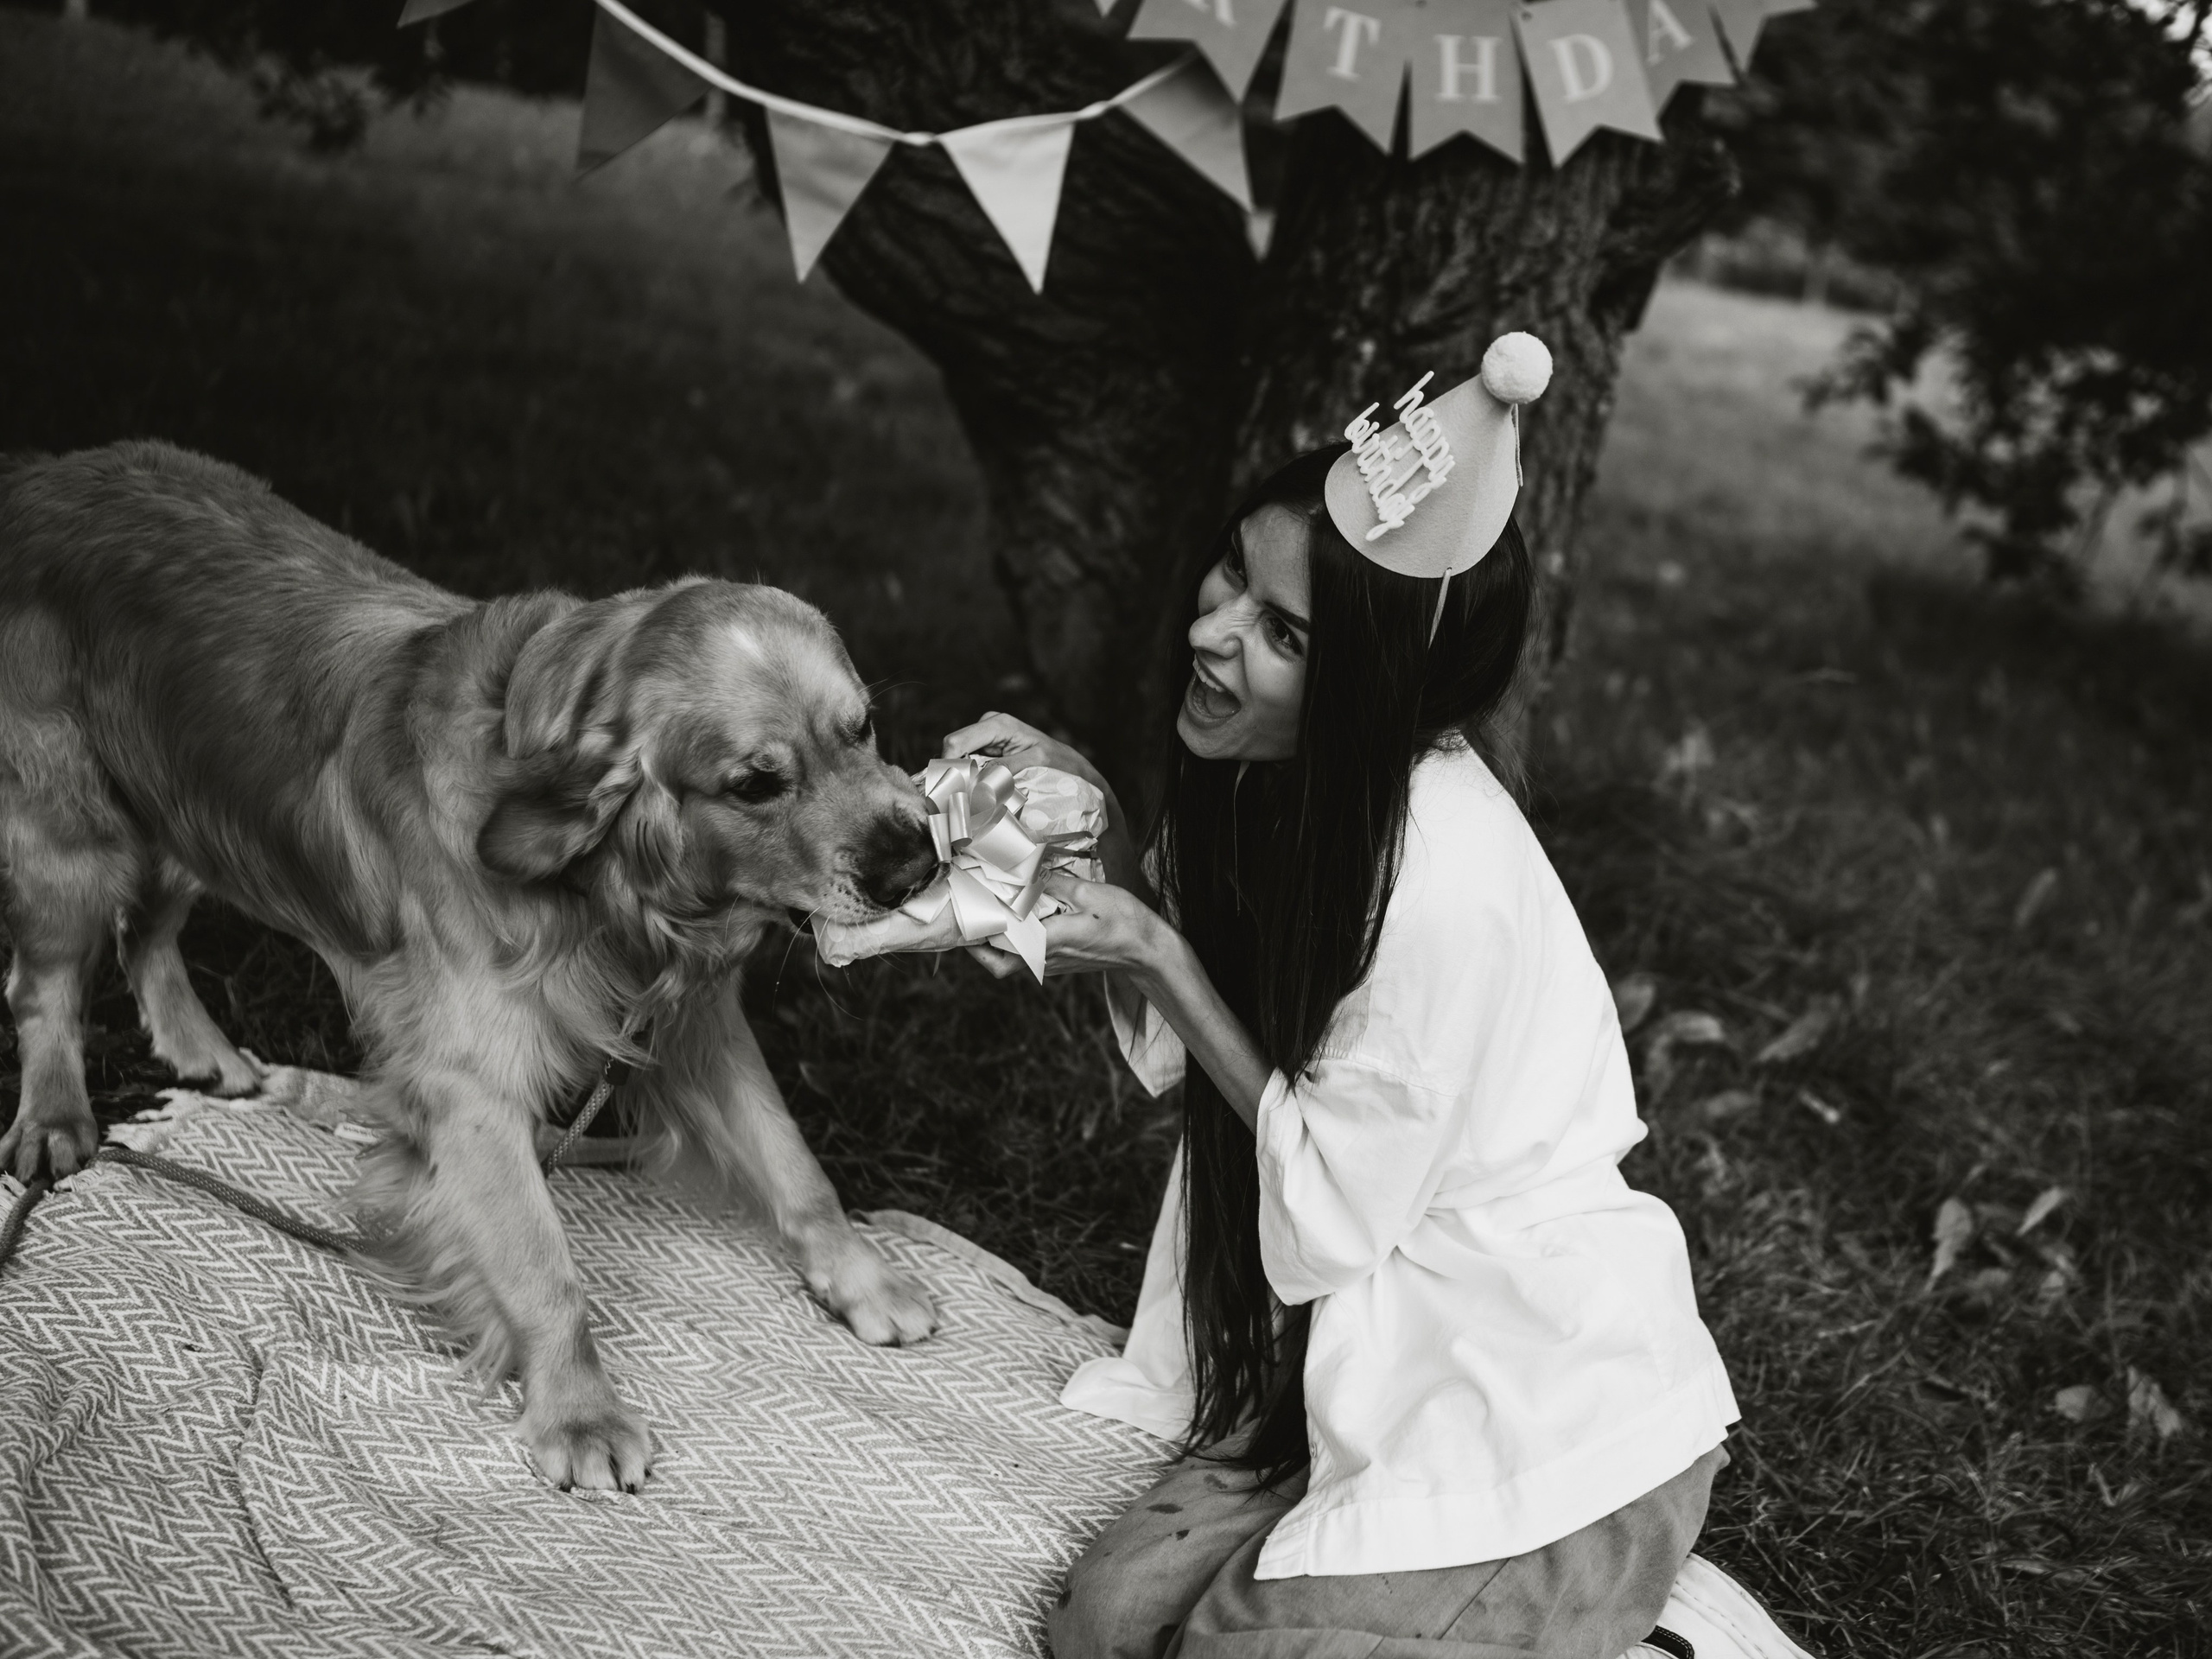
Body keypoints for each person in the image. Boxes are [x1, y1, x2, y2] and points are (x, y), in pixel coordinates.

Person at [942, 336, 1740, 1659]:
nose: (1210, 633)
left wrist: (1153, 951)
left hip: (1531, 1372)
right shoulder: (1269, 776)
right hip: (1348, 1344)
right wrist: (1087, 820)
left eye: (1280, 634)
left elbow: (1333, 1215)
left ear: (1367, 686)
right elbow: (1187, 1040)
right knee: (1105, 1624)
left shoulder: (1444, 882)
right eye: (1229, 578)